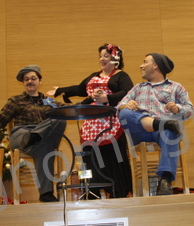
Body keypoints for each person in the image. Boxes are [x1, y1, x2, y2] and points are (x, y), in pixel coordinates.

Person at [47, 44, 134, 198]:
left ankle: (118, 193)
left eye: (106, 56)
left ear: (115, 58)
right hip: (90, 125)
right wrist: (60, 90)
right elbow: (79, 89)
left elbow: (128, 92)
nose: (102, 59)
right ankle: (92, 192)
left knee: (113, 158)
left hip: (111, 124)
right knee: (90, 158)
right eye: (100, 56)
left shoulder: (122, 76)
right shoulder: (93, 76)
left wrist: (108, 98)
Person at [0, 65, 66, 203]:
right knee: (41, 144)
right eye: (26, 79)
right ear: (23, 82)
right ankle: (33, 137)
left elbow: (68, 109)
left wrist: (88, 101)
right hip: (22, 135)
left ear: (40, 81)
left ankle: (46, 194)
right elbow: (1, 118)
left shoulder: (49, 101)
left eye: (33, 78)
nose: (30, 81)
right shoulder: (16, 100)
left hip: (41, 138)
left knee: (59, 119)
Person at [117, 53, 193, 196]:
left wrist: (177, 108)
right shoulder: (138, 88)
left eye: (145, 62)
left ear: (155, 65)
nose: (141, 66)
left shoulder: (176, 87)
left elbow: (190, 110)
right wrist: (126, 105)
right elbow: (119, 107)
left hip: (163, 134)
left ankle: (165, 181)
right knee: (124, 113)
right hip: (140, 132)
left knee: (171, 132)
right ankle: (162, 124)